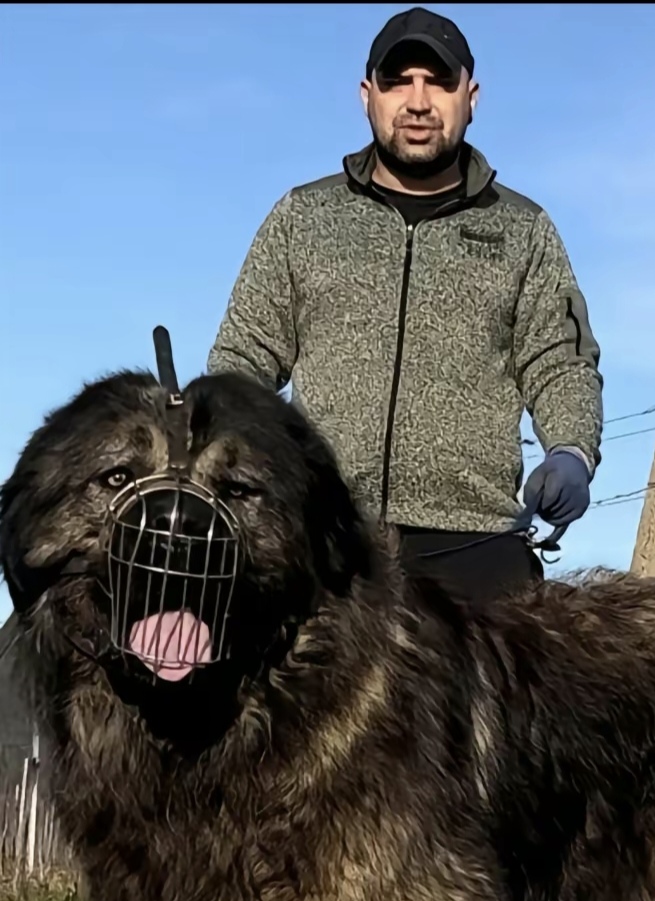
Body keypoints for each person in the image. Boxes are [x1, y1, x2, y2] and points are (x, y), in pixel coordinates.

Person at [207, 5, 604, 606]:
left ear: (471, 96)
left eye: (438, 81)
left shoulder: (526, 229)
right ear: (368, 95)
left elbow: (562, 362)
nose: (418, 101)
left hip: (478, 555)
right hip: (325, 543)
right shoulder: (303, 217)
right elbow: (242, 360)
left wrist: (571, 451)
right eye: (398, 81)